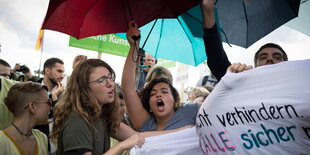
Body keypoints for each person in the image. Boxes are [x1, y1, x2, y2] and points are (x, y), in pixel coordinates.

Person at [50, 59, 188, 154]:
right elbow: (131, 140)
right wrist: (122, 146)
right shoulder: (77, 121)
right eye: (102, 80)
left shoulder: (101, 115)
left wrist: (184, 132)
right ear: (84, 87)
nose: (110, 83)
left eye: (110, 77)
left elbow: (139, 137)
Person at [122, 21, 200, 131]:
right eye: (153, 94)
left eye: (164, 91)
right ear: (149, 105)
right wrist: (134, 46)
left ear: (175, 100)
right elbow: (128, 89)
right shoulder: (145, 124)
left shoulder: (190, 112)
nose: (158, 95)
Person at [201, 0, 287, 80]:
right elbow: (218, 63)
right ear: (255, 65)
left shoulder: (298, 85)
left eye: (277, 57)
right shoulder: (246, 83)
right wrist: (208, 11)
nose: (270, 59)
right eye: (263, 57)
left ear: (286, 63)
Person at [0, 82, 51, 155]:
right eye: (48, 102)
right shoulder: (2, 142)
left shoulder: (42, 138)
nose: (51, 107)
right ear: (32, 107)